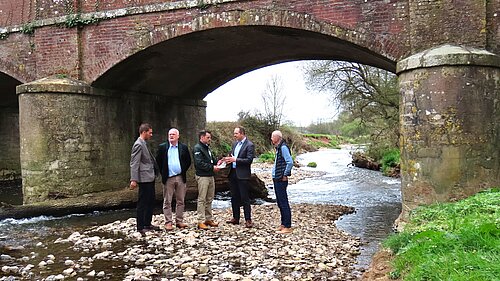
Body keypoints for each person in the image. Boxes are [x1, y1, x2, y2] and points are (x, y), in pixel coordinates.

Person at [156, 128, 191, 231]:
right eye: (170, 134)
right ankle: (168, 222)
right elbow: (158, 161)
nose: (171, 136)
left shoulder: (183, 147)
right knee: (167, 201)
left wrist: (182, 170)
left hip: (180, 177)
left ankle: (179, 221)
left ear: (178, 136)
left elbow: (188, 161)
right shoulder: (162, 147)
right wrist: (164, 173)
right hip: (168, 178)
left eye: (173, 134)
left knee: (181, 200)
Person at [130, 123, 160, 235]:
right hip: (144, 178)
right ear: (144, 132)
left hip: (149, 177)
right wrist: (134, 179)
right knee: (142, 202)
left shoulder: (144, 143)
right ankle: (140, 226)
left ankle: (147, 223)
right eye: (150, 132)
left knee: (150, 201)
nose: (151, 135)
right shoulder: (138, 144)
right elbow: (134, 163)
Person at [223, 126, 255, 228]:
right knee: (234, 197)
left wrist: (235, 160)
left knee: (244, 197)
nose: (234, 135)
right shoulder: (234, 144)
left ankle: (248, 219)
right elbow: (232, 156)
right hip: (233, 173)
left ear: (242, 134)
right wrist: (227, 160)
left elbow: (249, 160)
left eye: (236, 133)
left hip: (243, 174)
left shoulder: (249, 145)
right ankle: (235, 218)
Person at [193, 130, 221, 230]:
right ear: (202, 137)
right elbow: (199, 163)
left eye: (210, 137)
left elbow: (211, 159)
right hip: (202, 176)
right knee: (202, 199)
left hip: (210, 176)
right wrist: (212, 167)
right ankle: (200, 220)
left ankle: (208, 218)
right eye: (208, 137)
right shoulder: (197, 148)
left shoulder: (207, 147)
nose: (210, 139)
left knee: (210, 198)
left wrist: (218, 162)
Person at [271, 130, 294, 234]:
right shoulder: (278, 148)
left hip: (281, 178)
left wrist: (285, 174)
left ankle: (288, 226)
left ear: (277, 138)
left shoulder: (283, 147)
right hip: (277, 178)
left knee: (283, 202)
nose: (271, 139)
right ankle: (283, 224)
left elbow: (290, 162)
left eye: (272, 137)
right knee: (280, 202)